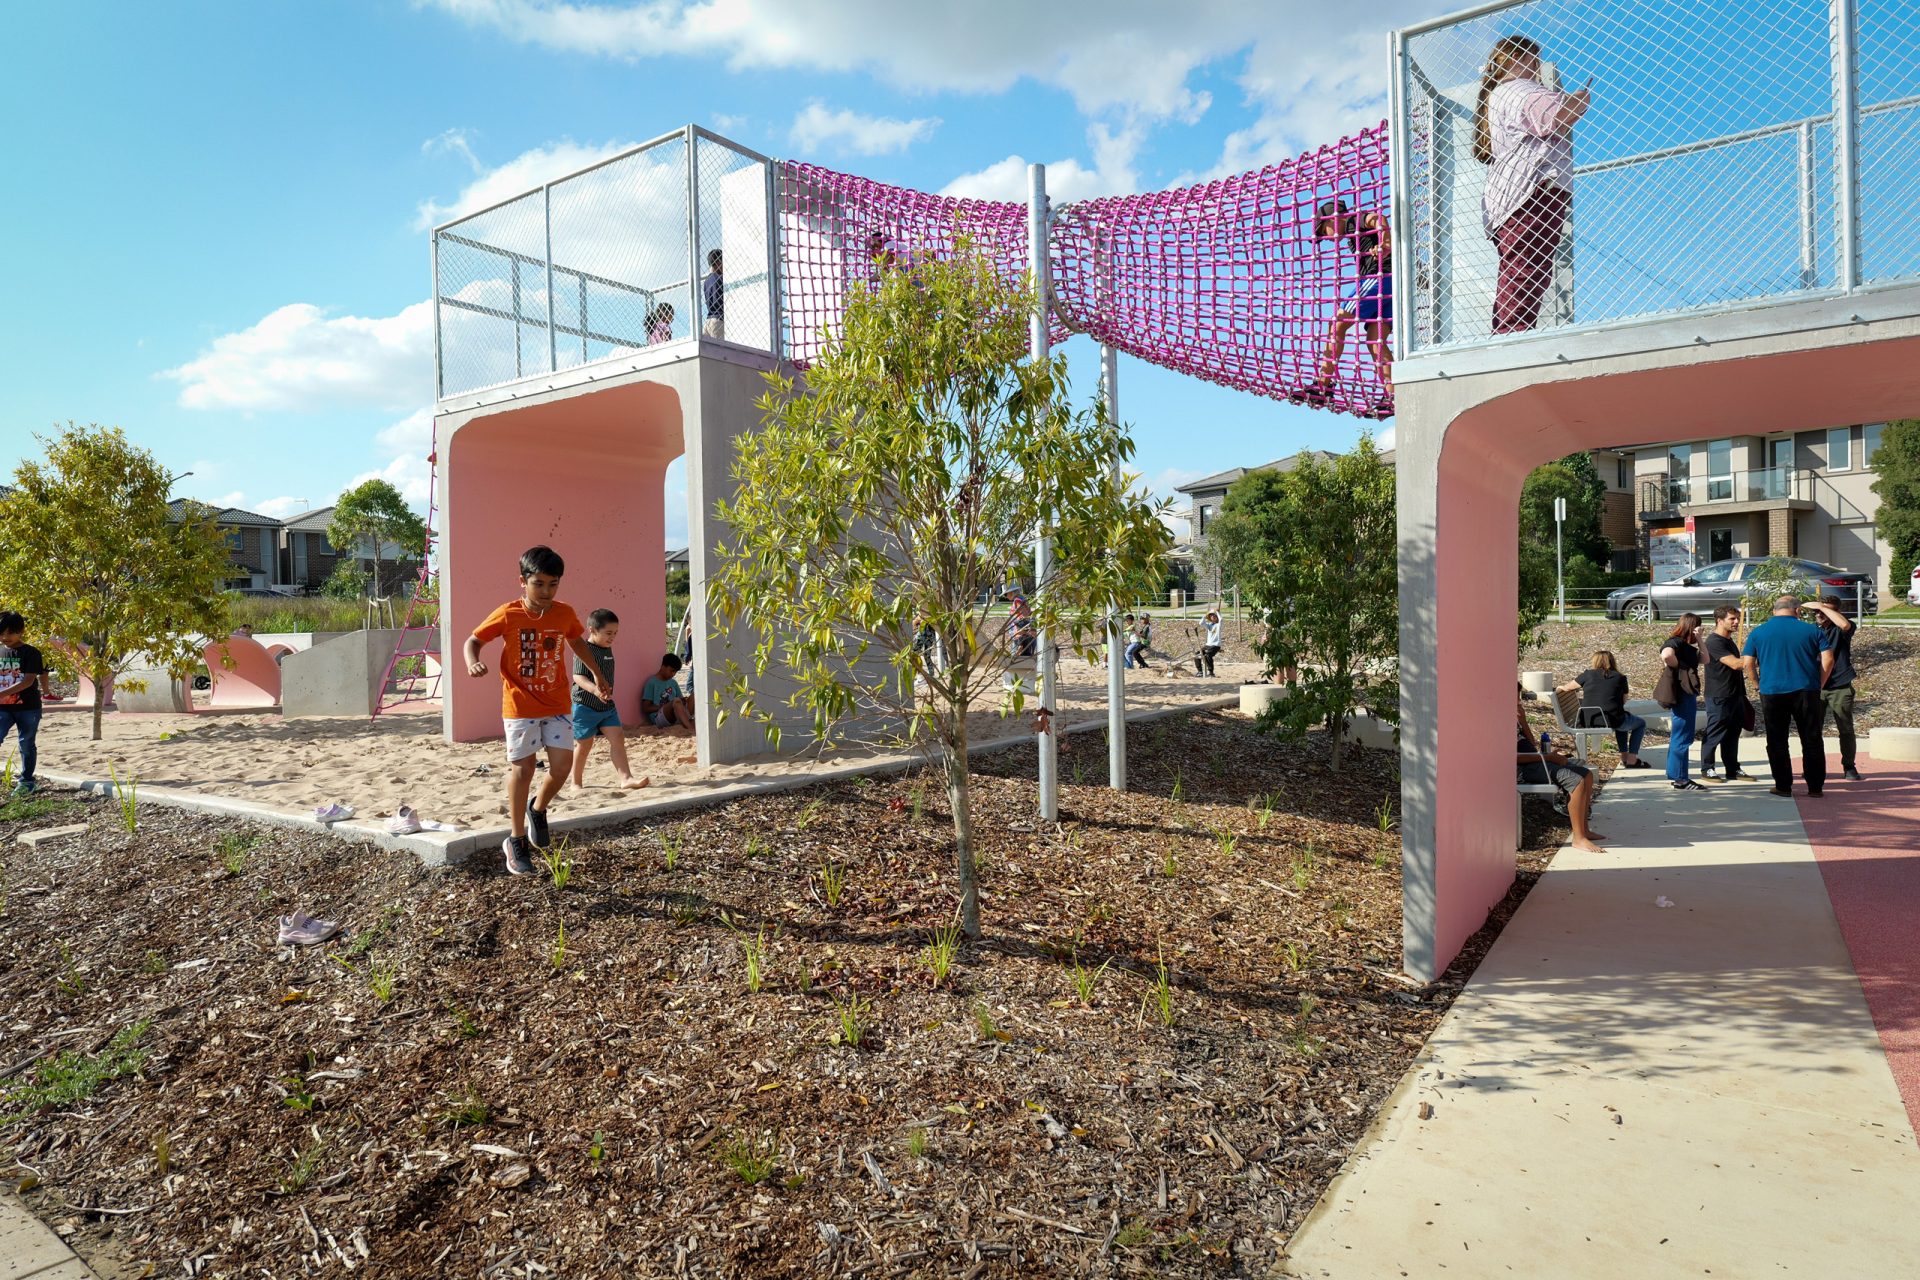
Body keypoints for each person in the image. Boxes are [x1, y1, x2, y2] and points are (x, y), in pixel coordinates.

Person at [464, 545, 612, 874]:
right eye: (539, 584)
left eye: (553, 584)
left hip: (557, 702)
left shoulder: (563, 613)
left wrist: (598, 675)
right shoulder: (508, 613)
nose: (546, 591)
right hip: (519, 705)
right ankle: (515, 839)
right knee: (523, 769)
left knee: (562, 767)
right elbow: (473, 641)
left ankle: (539, 808)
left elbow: (576, 642)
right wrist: (473, 662)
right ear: (523, 581)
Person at [1474, 35, 1592, 334]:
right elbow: (1555, 116)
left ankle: (1508, 333)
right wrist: (1579, 101)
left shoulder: (1499, 94)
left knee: (1518, 270)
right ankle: (1511, 335)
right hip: (1533, 190)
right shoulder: (1519, 89)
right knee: (1528, 269)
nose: (1538, 67)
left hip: (1512, 195)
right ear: (1516, 60)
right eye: (1533, 60)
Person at [1303, 199, 1392, 410]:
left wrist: (1385, 242)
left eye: (1323, 230)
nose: (1326, 237)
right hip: (1392, 284)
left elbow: (1377, 218)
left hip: (1378, 277)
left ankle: (1324, 385)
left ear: (1333, 218)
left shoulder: (1353, 221)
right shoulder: (1353, 232)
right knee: (1375, 339)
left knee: (1337, 325)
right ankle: (1394, 395)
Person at [1743, 595, 1828, 798]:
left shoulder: (1759, 632)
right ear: (1797, 610)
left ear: (1774, 611)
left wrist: (1757, 684)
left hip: (1772, 691)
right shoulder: (1812, 630)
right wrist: (1819, 683)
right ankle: (1815, 787)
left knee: (1777, 739)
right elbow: (1829, 658)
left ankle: (1783, 785)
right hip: (1806, 690)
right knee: (1812, 738)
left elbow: (1747, 663)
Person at [566, 608, 651, 793]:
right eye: (608, 633)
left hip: (606, 706)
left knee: (618, 739)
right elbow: (578, 677)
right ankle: (576, 782)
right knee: (584, 744)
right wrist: (595, 690)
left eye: (615, 633)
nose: (612, 637)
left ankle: (626, 778)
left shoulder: (606, 648)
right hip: (584, 705)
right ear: (592, 630)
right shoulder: (585, 650)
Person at [1517, 685, 1603, 853]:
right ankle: (1578, 839)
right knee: (1576, 780)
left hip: (1537, 760)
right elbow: (1512, 758)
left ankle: (1584, 830)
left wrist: (1523, 720)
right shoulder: (1497, 720)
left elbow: (1531, 743)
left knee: (1586, 775)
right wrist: (1549, 758)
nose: (1518, 701)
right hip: (1522, 769)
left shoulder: (1514, 715)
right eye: (1515, 697)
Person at [1556, 649, 1648, 768]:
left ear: (1595, 661)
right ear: (1612, 662)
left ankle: (1624, 757)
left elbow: (1568, 687)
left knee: (1621, 720)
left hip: (1587, 720)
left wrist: (1560, 687)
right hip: (1612, 720)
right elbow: (1624, 701)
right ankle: (1631, 759)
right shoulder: (1620, 677)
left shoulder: (1587, 675)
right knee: (1640, 723)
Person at [1698, 605, 1757, 782]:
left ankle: (1732, 769)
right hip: (1719, 695)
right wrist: (1760, 659)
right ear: (1719, 620)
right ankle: (1707, 768)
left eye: (1737, 618)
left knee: (1732, 733)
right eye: (1732, 619)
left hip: (1735, 694)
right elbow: (1736, 664)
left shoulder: (1728, 640)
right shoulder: (1714, 642)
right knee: (1715, 732)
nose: (1737, 622)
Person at [0, 611, 51, 796]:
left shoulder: (31, 652)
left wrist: (2, 693)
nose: (5, 637)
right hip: (2, 708)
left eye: (10, 633)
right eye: (1, 633)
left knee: (26, 743)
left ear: (21, 631)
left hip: (28, 707)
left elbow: (28, 681)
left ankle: (27, 781)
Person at [1814, 594, 1860, 781]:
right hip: (1815, 686)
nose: (1820, 614)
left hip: (1839, 685)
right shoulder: (1812, 630)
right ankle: (1815, 766)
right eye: (1817, 610)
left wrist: (1824, 608)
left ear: (1836, 611)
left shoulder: (1842, 628)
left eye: (1825, 610)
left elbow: (1845, 625)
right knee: (1813, 730)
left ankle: (1849, 766)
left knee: (1845, 728)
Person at [1659, 613, 1705, 790]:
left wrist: (1700, 639)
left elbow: (1706, 659)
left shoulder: (1686, 644)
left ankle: (1678, 775)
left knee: (1681, 735)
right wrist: (1680, 668)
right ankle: (1680, 779)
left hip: (1686, 694)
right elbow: (1666, 654)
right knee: (1682, 736)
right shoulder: (1676, 641)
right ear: (1692, 626)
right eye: (1699, 627)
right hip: (1683, 694)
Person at [641, 653, 695, 734]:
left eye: (675, 672)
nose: (673, 674)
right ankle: (690, 728)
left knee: (695, 694)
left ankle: (688, 721)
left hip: (677, 714)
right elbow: (645, 708)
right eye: (672, 670)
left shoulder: (673, 683)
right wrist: (664, 706)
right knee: (676, 701)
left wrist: (684, 700)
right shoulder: (652, 682)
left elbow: (680, 701)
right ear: (663, 666)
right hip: (659, 717)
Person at [701, 249, 724, 340]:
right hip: (718, 320)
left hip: (708, 321)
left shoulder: (707, 281)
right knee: (722, 352)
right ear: (718, 262)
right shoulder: (721, 278)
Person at [1194, 610, 1224, 677]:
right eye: (1211, 616)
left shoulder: (1219, 625)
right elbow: (1201, 623)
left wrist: (1218, 612)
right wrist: (1205, 615)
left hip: (1216, 645)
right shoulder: (1209, 625)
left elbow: (1221, 619)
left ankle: (1211, 672)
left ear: (1217, 617)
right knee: (1197, 655)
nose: (1212, 617)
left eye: (1214, 615)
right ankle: (1200, 671)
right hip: (1208, 645)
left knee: (1208, 655)